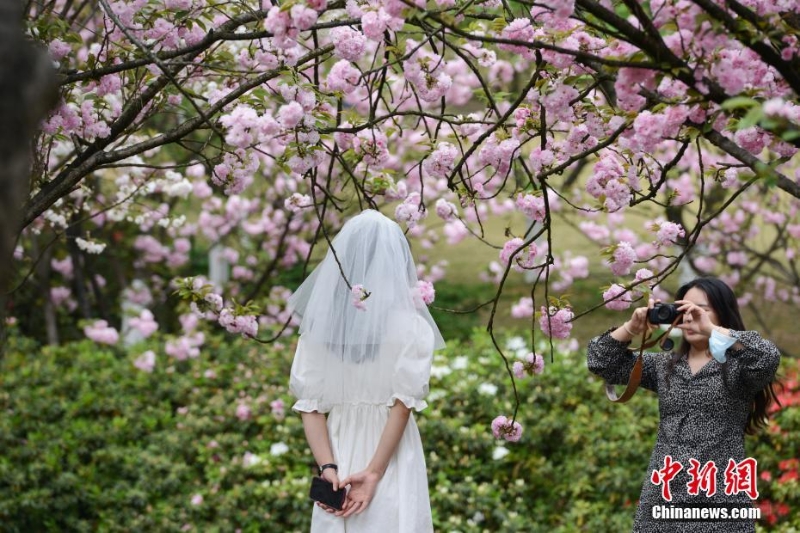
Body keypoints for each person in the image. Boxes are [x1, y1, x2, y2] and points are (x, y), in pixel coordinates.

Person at [288, 209, 444, 533]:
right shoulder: (411, 328)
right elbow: (401, 408)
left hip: (339, 449)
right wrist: (373, 473)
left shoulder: (320, 329)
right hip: (390, 455)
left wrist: (327, 467)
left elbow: (311, 407)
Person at [587, 277, 781, 533]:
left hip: (721, 498)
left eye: (700, 309)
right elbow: (600, 361)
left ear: (722, 312)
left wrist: (711, 329)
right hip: (663, 498)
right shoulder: (665, 366)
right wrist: (632, 327)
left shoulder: (737, 367)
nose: (689, 317)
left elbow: (768, 357)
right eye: (683, 309)